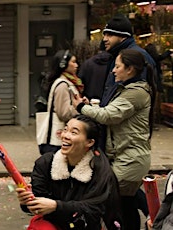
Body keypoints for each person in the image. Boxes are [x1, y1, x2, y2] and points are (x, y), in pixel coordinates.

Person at [72, 49, 156, 229]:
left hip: (130, 159)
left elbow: (109, 115)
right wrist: (89, 106)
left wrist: (81, 107)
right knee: (125, 204)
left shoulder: (136, 92)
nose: (113, 70)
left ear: (130, 69)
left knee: (105, 197)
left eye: (117, 66)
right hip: (125, 157)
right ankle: (152, 215)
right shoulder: (127, 89)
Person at [17, 115, 122, 230]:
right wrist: (27, 202)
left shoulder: (101, 170)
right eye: (65, 129)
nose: (65, 136)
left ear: (90, 142)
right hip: (52, 223)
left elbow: (96, 209)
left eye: (74, 132)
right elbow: (39, 203)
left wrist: (57, 206)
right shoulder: (45, 163)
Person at [101, 14, 156, 104]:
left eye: (110, 35)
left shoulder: (136, 56)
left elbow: (136, 98)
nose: (104, 39)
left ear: (123, 37)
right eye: (104, 35)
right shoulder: (116, 55)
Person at [38, 49, 82, 154]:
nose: (76, 65)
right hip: (57, 141)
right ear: (63, 64)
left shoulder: (68, 82)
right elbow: (63, 114)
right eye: (73, 62)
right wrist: (81, 108)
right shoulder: (63, 85)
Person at [144, 37, 173, 126]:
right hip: (155, 83)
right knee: (155, 102)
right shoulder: (154, 59)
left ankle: (155, 119)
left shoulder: (147, 59)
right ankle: (155, 119)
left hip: (150, 84)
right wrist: (169, 52)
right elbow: (160, 57)